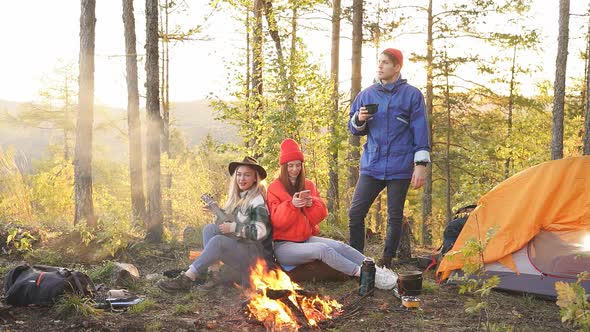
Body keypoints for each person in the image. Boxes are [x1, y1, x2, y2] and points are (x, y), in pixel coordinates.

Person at [267, 138, 392, 285]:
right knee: (322, 249)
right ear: (283, 166)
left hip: (306, 239)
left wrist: (311, 203)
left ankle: (376, 269)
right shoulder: (274, 188)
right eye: (290, 166)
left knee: (340, 246)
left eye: (298, 165)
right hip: (284, 246)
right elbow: (276, 222)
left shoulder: (308, 184)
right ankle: (365, 275)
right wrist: (291, 205)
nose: (295, 169)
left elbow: (321, 214)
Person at [348, 48, 431, 269]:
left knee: (394, 216)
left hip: (400, 165)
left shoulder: (412, 95)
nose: (380, 66)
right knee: (355, 212)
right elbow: (354, 128)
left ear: (397, 67)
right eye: (379, 62)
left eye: (385, 62)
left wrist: (421, 164)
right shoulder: (366, 94)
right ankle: (357, 262)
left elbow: (420, 130)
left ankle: (386, 262)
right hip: (372, 164)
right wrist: (360, 118)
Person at [157, 156, 272, 293]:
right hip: (242, 250)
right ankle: (214, 274)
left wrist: (233, 227)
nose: (241, 179)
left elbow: (260, 232)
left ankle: (187, 278)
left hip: (254, 258)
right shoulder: (240, 197)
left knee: (218, 241)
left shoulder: (257, 201)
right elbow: (234, 222)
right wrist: (217, 211)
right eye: (239, 175)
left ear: (255, 178)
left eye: (247, 175)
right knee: (210, 229)